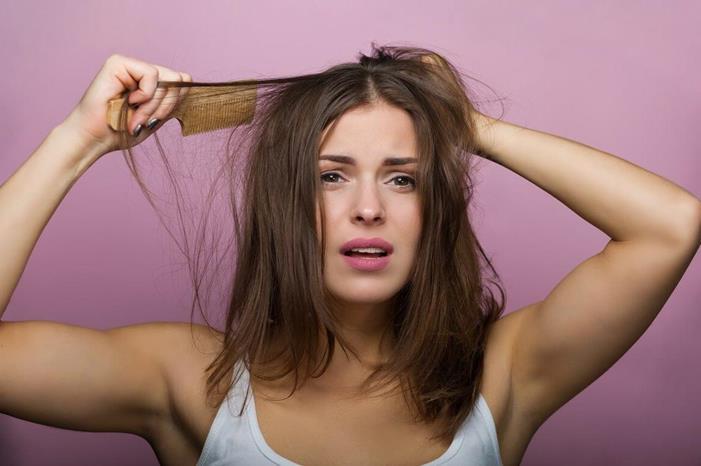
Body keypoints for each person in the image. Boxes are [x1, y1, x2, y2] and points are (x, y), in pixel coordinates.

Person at [0, 46, 699, 466]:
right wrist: (76, 142)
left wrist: (470, 127)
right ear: (286, 203)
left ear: (434, 209)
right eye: (331, 176)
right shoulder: (185, 379)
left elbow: (670, 224)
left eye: (402, 179)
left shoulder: (503, 373)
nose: (369, 207)